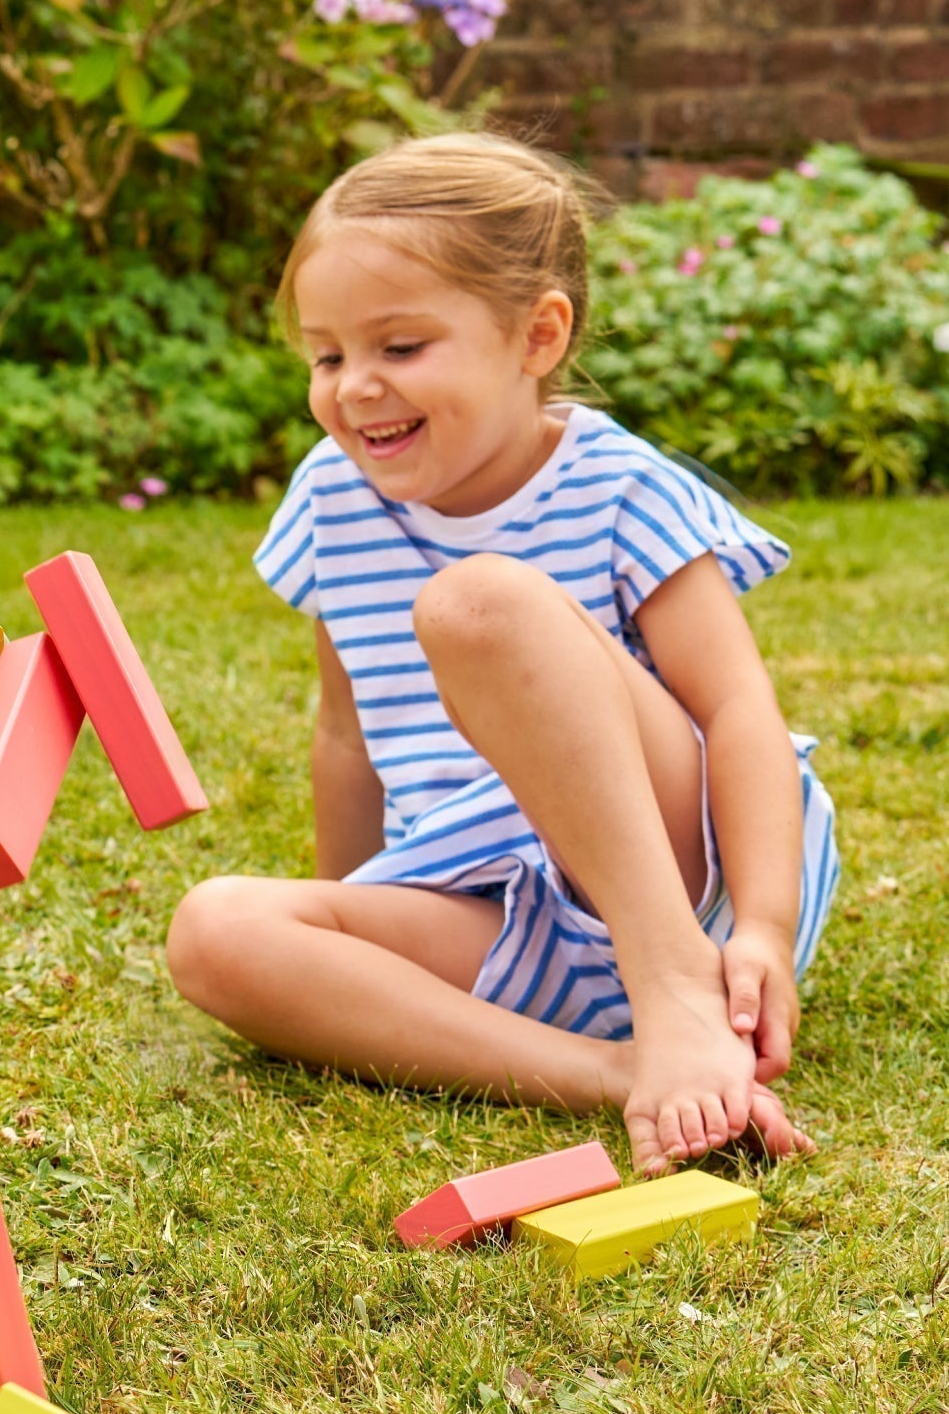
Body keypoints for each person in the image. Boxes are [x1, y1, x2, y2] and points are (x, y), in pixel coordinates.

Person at [166, 133, 835, 1176]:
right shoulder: (331, 502)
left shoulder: (618, 486)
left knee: (479, 604)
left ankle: (675, 991)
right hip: (494, 920)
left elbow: (739, 710)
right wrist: (348, 925)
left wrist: (760, 922)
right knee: (211, 929)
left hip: (670, 881)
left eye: (399, 346)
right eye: (327, 355)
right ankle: (615, 1069)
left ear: (536, 335)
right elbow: (346, 735)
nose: (355, 388)